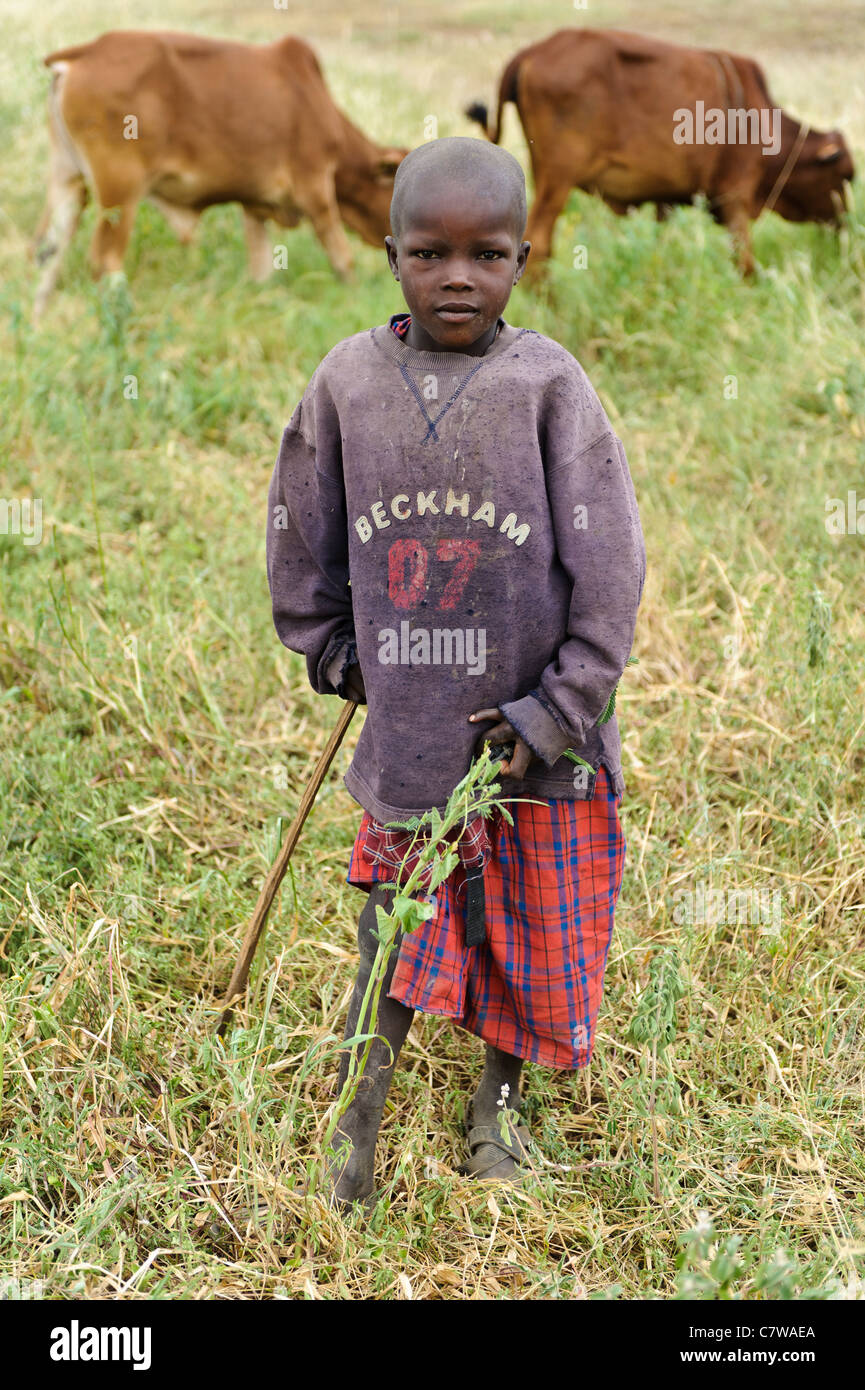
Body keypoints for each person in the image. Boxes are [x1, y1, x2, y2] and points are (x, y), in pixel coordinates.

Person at [266, 136, 646, 1206]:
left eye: (485, 255)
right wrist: (335, 651)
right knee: (387, 932)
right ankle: (358, 1125)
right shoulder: (347, 383)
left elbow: (609, 572)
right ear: (390, 253)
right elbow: (301, 529)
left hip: (535, 743)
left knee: (529, 936)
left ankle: (498, 1109)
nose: (457, 279)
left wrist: (555, 708)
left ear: (523, 259)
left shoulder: (549, 388)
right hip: (413, 736)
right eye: (429, 253)